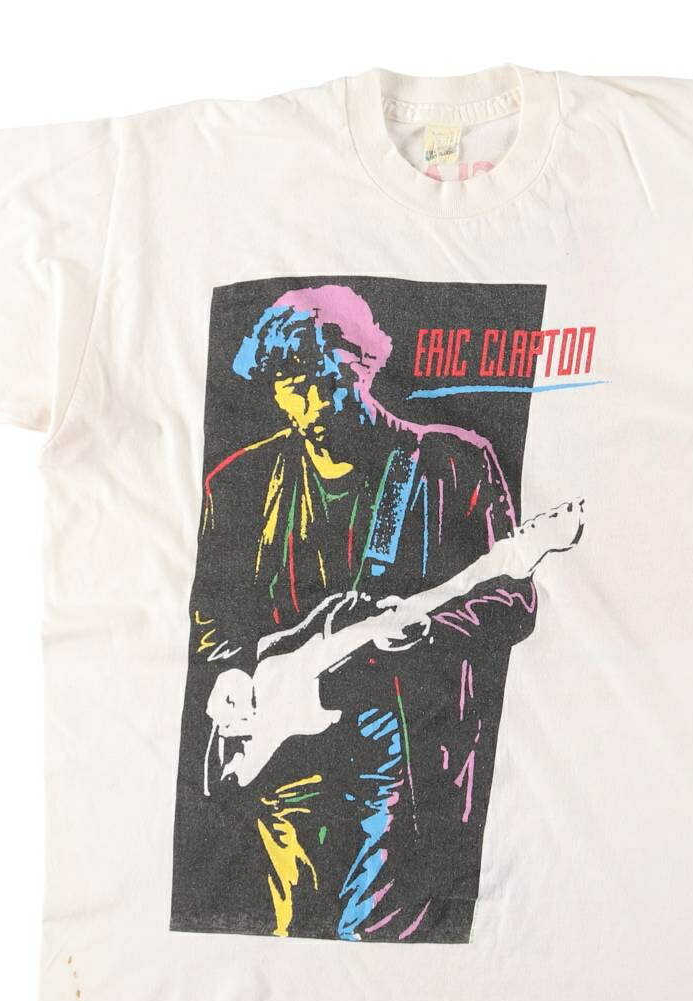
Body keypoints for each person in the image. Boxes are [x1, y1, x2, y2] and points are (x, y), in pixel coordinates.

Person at [185, 284, 540, 941]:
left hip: (403, 757)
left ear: (363, 367)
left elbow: (514, 599)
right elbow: (212, 609)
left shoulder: (450, 464)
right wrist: (230, 670)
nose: (315, 402)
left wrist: (430, 630)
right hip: (280, 758)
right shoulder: (238, 485)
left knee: (380, 932)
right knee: (291, 940)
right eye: (295, 385)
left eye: (330, 380)